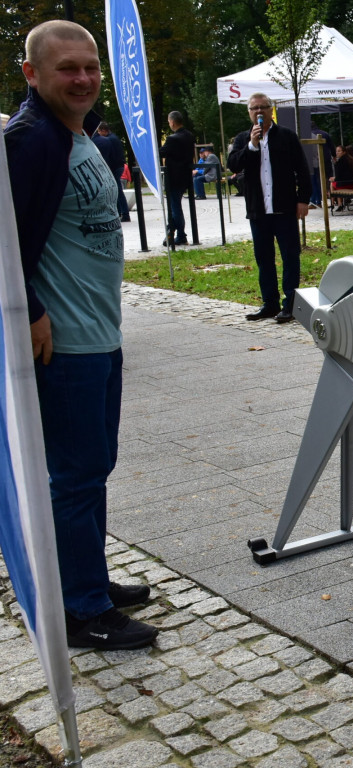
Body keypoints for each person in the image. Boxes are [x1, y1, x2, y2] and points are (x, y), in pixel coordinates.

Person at [4, 19, 158, 650]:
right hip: (63, 344)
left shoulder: (78, 134)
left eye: (91, 66)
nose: (85, 78)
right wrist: (31, 307)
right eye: (68, 68)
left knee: (94, 467)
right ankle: (82, 611)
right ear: (32, 74)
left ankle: (86, 577)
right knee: (75, 474)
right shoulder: (28, 141)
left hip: (101, 334)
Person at [227, 92, 310, 323]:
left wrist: (303, 199)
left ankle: (291, 304)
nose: (259, 111)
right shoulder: (244, 138)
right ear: (249, 113)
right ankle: (269, 303)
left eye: (264, 107)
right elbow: (232, 164)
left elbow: (303, 170)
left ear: (271, 110)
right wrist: (252, 145)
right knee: (264, 258)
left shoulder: (286, 136)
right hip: (258, 210)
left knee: (290, 256)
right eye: (255, 108)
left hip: (284, 208)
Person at [160, 110, 194, 245]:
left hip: (174, 177)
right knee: (176, 206)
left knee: (175, 208)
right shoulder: (189, 135)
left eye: (169, 122)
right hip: (186, 176)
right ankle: (173, 232)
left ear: (172, 122)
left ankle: (179, 234)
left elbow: (161, 152)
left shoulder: (172, 139)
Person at [91, 120, 130, 222]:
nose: (99, 134)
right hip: (119, 166)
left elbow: (110, 156)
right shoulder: (113, 138)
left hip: (115, 167)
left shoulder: (109, 140)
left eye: (99, 131)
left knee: (117, 190)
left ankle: (124, 213)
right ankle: (121, 212)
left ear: (103, 130)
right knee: (116, 189)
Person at [308, 119, 334, 209]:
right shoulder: (325, 134)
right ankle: (321, 200)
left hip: (312, 163)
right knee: (324, 180)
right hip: (325, 161)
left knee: (313, 182)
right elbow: (332, 147)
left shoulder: (309, 136)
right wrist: (334, 156)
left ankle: (314, 201)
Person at [331, 144, 353, 211]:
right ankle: (339, 204)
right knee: (335, 183)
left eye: (339, 151)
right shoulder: (351, 160)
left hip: (347, 185)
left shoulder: (340, 162)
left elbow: (338, 178)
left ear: (344, 152)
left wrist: (334, 178)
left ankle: (335, 205)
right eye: (336, 151)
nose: (337, 153)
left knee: (332, 184)